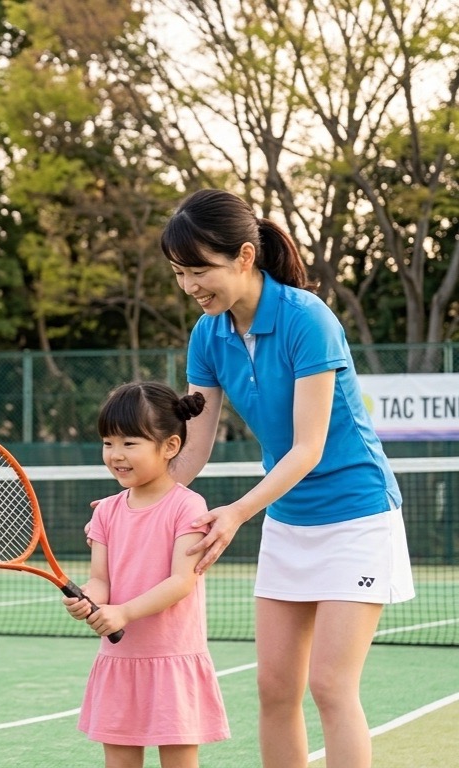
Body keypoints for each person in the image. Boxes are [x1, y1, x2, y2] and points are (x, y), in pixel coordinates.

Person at [160, 188, 415, 768]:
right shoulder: (208, 335)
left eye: (200, 269)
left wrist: (235, 513)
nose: (190, 285)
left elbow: (307, 448)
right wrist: (142, 501)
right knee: (274, 688)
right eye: (179, 273)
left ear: (245, 257)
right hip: (289, 521)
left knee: (330, 686)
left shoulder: (307, 319)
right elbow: (193, 448)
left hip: (357, 516)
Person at [65, 381, 230, 768]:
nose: (116, 454)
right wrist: (89, 599)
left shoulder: (188, 507)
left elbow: (181, 581)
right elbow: (101, 580)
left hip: (173, 659)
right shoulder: (105, 511)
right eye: (108, 442)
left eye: (129, 442)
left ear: (170, 446)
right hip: (119, 660)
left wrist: (124, 612)